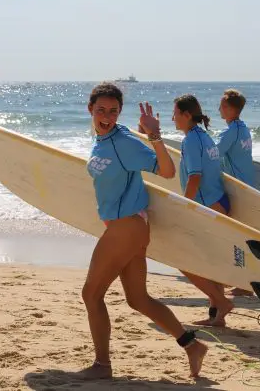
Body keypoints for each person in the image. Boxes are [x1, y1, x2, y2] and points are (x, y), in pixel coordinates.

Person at [83, 82, 208, 379]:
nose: (107, 116)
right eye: (101, 110)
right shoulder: (101, 139)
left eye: (113, 111)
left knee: (91, 294)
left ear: (119, 112)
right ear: (90, 109)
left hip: (127, 226)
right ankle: (192, 345)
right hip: (129, 228)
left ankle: (102, 366)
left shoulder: (122, 140)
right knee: (138, 299)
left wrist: (154, 136)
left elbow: (166, 171)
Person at [172, 94, 235, 327]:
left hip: (207, 206)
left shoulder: (190, 140)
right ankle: (216, 315)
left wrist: (184, 207)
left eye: (176, 114)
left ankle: (222, 302)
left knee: (183, 259)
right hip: (219, 201)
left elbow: (195, 177)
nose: (173, 118)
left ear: (187, 115)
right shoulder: (204, 136)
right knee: (211, 263)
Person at [216, 89, 255, 297]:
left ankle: (245, 284)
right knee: (240, 235)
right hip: (247, 187)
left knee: (236, 236)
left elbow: (213, 154)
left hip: (237, 189)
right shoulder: (243, 128)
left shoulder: (230, 131)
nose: (219, 109)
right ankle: (243, 282)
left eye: (221, 105)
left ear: (231, 109)